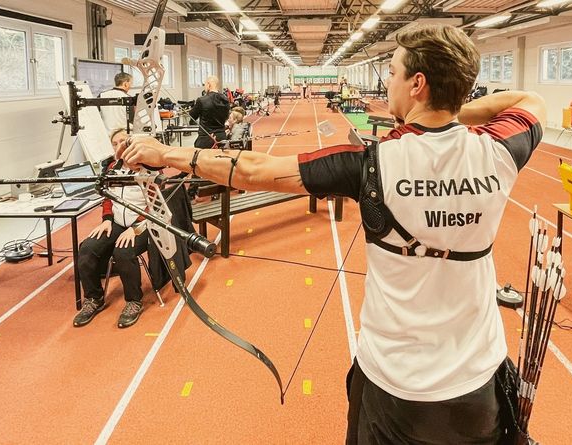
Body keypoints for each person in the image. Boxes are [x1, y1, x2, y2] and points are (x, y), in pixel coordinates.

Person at [119, 24, 546, 444]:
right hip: (478, 389)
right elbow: (531, 100)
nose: (389, 83)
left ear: (418, 84)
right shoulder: (500, 150)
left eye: (393, 74)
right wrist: (448, 110)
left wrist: (164, 153)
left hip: (393, 390)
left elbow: (252, 170)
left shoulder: (371, 162)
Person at [73, 128, 150, 329]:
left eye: (123, 142)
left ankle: (133, 301)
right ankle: (94, 299)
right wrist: (107, 219)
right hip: (115, 223)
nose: (119, 146)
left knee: (123, 251)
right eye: (115, 143)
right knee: (87, 248)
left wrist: (134, 228)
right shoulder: (112, 168)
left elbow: (153, 205)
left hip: (143, 224)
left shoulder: (148, 168)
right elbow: (107, 198)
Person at [189, 75, 230, 148]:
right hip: (221, 138)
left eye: (205, 85)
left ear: (208, 85)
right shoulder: (226, 99)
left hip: (206, 139)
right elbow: (226, 117)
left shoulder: (202, 100)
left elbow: (192, 116)